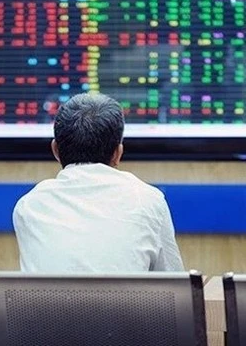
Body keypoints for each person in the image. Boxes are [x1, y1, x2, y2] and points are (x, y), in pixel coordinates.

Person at [13, 93, 184, 272]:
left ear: (55, 150)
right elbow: (174, 287)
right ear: (118, 153)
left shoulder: (29, 206)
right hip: (126, 301)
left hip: (50, 302)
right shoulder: (149, 200)